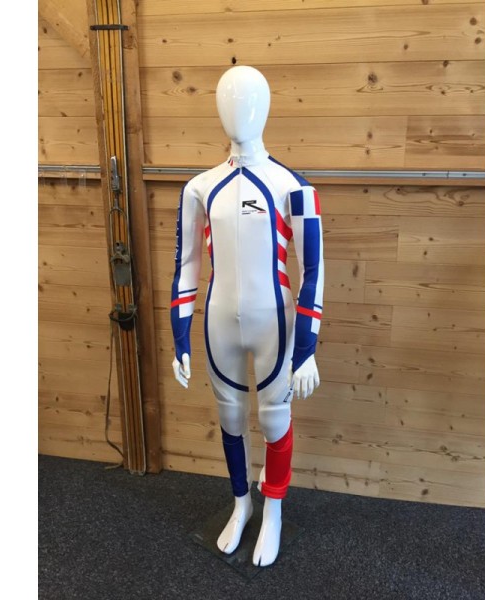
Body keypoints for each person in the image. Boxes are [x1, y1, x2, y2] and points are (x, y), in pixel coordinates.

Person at [170, 65, 324, 567]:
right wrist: (180, 336)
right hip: (219, 323)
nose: (238, 110)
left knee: (274, 420)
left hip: (274, 322)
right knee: (231, 418)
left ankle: (273, 510)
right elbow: (186, 265)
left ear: (266, 107)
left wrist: (307, 348)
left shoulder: (294, 187)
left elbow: (314, 271)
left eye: (248, 99)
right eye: (229, 100)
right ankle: (241, 504)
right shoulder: (198, 189)